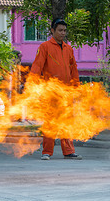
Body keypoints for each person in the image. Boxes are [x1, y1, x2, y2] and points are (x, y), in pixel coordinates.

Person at [31, 18, 82, 160]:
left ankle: (68, 151)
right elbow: (37, 66)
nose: (63, 33)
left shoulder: (69, 49)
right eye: (60, 30)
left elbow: (74, 70)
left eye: (65, 30)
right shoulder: (45, 47)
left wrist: (76, 88)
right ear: (52, 30)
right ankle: (47, 151)